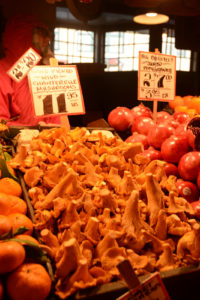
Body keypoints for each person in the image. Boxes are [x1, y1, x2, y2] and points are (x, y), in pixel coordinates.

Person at [0, 14, 60, 126]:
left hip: (46, 140)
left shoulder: (44, 71)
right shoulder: (2, 71)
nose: (47, 40)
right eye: (41, 34)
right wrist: (33, 132)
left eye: (47, 35)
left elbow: (56, 117)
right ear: (22, 36)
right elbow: (1, 122)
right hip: (13, 141)